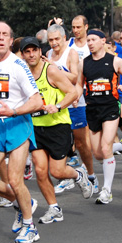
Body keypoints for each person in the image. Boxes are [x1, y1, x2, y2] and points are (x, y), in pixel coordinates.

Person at [0, 22, 43, 243]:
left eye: (6, 34)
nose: (2, 38)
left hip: (17, 124)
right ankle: (22, 202)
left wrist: (13, 110)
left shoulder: (18, 66)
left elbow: (37, 101)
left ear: (10, 39)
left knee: (15, 179)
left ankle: (30, 226)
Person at [22, 37, 93, 223]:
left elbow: (73, 92)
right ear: (23, 55)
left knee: (57, 171)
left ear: (39, 52)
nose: (31, 55)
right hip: (35, 128)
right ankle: (54, 208)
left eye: (34, 51)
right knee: (40, 170)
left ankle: (79, 175)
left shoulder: (51, 71)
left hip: (57, 126)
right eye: (27, 51)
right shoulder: (22, 73)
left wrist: (58, 106)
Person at [77, 29, 122, 204]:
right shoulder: (84, 63)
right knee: (98, 154)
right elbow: (79, 86)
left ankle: (107, 190)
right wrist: (74, 98)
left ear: (103, 41)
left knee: (105, 148)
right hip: (92, 109)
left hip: (110, 108)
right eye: (88, 40)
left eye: (93, 39)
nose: (90, 43)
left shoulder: (114, 61)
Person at [47, 23, 98, 193]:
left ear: (64, 39)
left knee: (81, 142)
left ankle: (90, 175)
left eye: (56, 39)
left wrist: (55, 68)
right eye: (50, 40)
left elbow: (75, 77)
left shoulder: (71, 53)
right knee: (61, 141)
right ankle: (67, 176)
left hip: (75, 101)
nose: (54, 43)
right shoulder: (48, 54)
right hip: (58, 104)